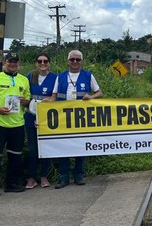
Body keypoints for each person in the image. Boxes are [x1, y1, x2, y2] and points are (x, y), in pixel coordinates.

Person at [0, 52, 31, 197]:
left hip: (17, 124)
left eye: (15, 62)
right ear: (5, 62)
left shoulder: (23, 80)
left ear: (18, 64)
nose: (13, 64)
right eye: (10, 61)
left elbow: (27, 100)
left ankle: (11, 184)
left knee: (15, 157)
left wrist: (24, 102)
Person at [53, 50, 102, 188]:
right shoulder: (60, 77)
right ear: (68, 61)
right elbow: (54, 96)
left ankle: (79, 175)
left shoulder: (88, 76)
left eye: (78, 60)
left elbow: (99, 93)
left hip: (81, 118)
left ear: (82, 62)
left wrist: (91, 97)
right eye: (72, 59)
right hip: (63, 118)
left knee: (80, 146)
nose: (75, 62)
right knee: (63, 147)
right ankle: (64, 177)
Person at [23, 53, 56, 189]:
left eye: (45, 61)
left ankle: (44, 176)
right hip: (31, 115)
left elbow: (55, 97)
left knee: (46, 146)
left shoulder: (55, 78)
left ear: (49, 63)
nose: (43, 63)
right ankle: (31, 177)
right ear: (36, 63)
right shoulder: (30, 76)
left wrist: (50, 99)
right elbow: (24, 96)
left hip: (47, 117)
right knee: (32, 148)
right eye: (40, 61)